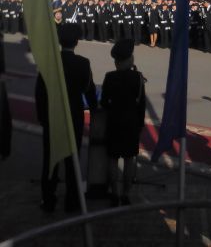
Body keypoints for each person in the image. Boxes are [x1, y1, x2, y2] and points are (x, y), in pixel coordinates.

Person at [35, 23, 97, 213]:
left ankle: (48, 199)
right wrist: (94, 109)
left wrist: (43, 119)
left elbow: (40, 93)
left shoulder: (49, 62)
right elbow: (89, 90)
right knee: (73, 160)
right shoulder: (83, 63)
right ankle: (72, 200)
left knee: (50, 161)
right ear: (77, 42)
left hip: (52, 116)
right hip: (73, 115)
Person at [101, 39, 146, 206]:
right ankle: (126, 194)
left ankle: (114, 193)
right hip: (131, 123)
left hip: (114, 121)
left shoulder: (109, 77)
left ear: (116, 61)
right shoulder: (137, 78)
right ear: (130, 59)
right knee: (129, 159)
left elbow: (104, 102)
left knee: (112, 159)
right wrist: (140, 124)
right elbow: (142, 104)